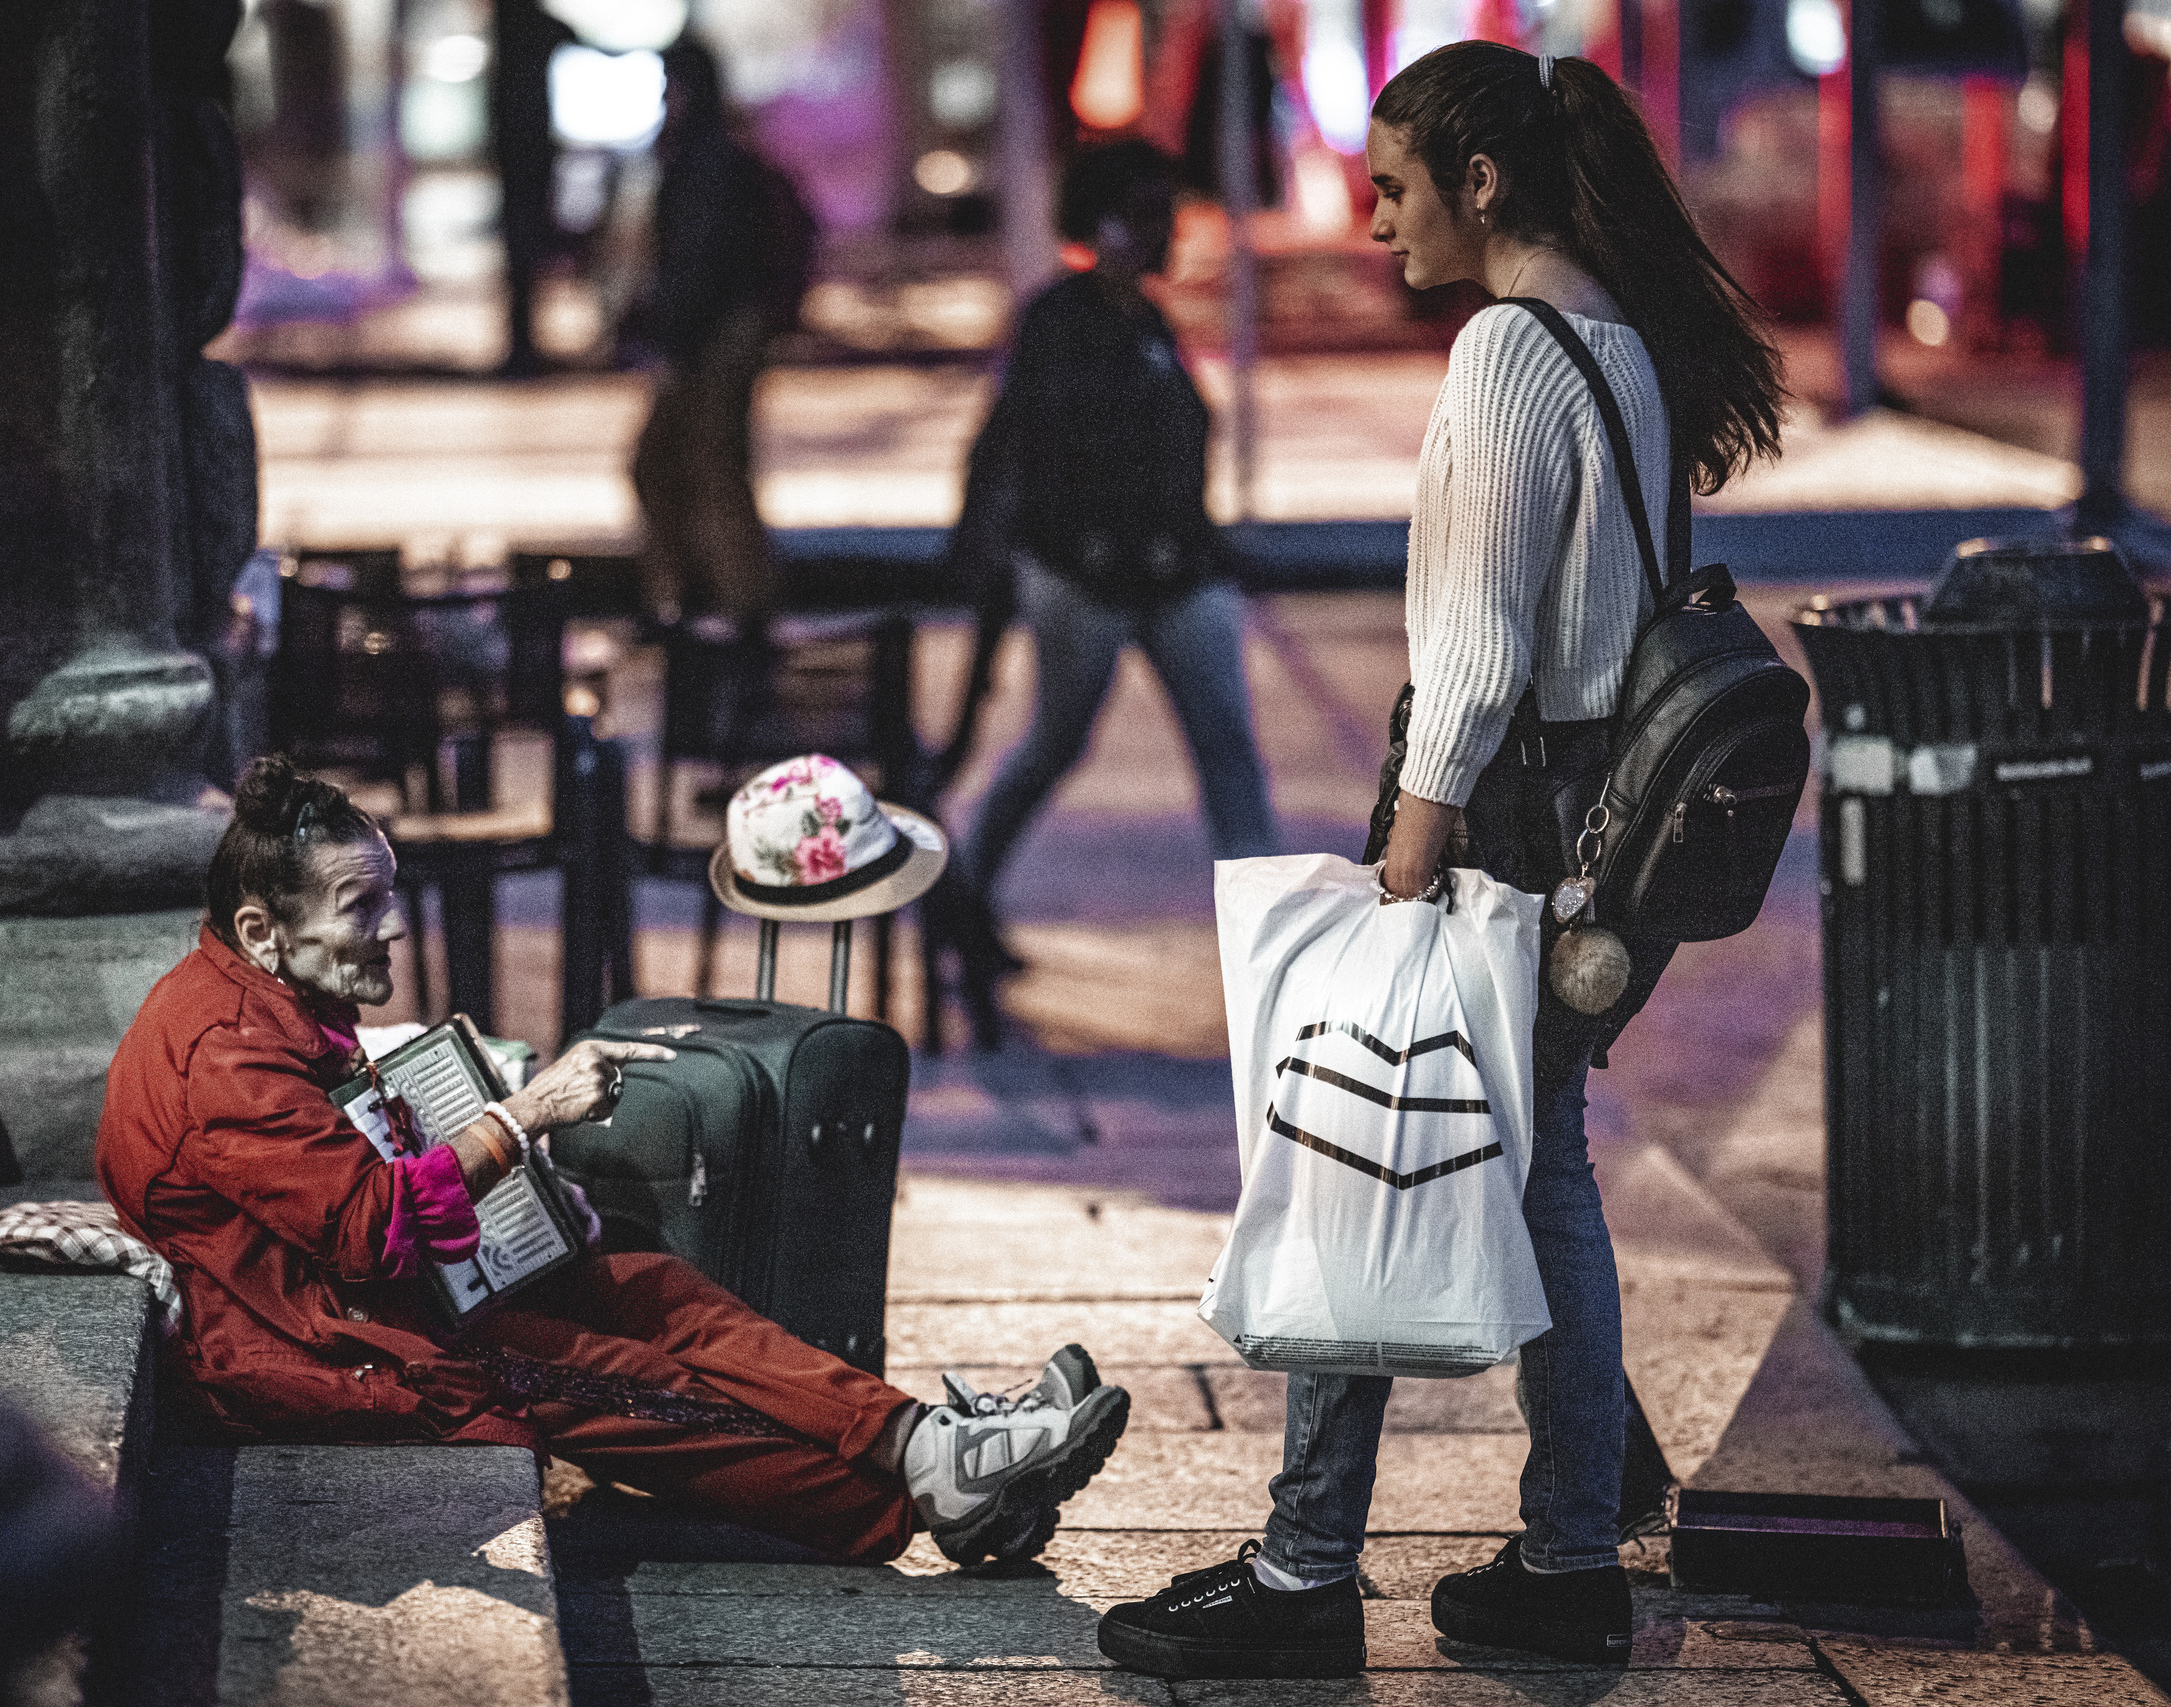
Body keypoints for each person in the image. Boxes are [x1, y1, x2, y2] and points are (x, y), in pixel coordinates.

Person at [1098, 43, 1784, 1676]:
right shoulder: (1620, 346)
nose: (1375, 216)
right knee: (1541, 1169)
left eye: (1395, 184)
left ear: (1483, 183)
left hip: (1504, 822)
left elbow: (1476, 653)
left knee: (1360, 1124)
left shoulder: (1506, 353)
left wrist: (1407, 853)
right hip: (1602, 828)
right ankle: (1567, 1556)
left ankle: (1306, 1571)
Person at [96, 755, 1130, 1566]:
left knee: (651, 1287)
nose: (393, 927)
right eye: (360, 906)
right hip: (324, 1349)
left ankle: (926, 1441)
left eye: (388, 896)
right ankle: (921, 1499)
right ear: (261, 930)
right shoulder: (223, 1056)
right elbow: (372, 1227)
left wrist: (508, 1173)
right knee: (634, 1385)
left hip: (381, 1297)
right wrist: (527, 1115)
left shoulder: (260, 999)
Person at [953, 140, 1279, 961]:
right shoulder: (1058, 322)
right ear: (1101, 225)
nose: (1167, 231)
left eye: (1167, 213)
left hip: (1176, 574)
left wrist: (1198, 542)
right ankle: (964, 888)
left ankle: (1276, 939)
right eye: (1146, 215)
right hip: (1086, 577)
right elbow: (1040, 451)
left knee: (1229, 753)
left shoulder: (1149, 322)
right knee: (1055, 741)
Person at [628, 37, 814, 629]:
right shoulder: (711, 157)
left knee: (703, 470)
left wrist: (672, 335)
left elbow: (699, 264)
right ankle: (705, 600)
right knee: (678, 466)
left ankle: (728, 606)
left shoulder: (706, 162)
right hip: (718, 335)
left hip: (714, 339)